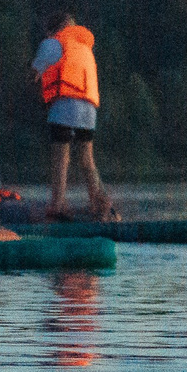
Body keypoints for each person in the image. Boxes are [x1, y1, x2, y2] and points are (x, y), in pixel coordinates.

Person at [33, 12, 118, 219]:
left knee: (61, 156)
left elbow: (35, 72)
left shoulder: (53, 43)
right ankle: (100, 204)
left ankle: (58, 205)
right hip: (88, 109)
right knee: (87, 159)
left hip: (64, 104)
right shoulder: (84, 46)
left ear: (53, 28)